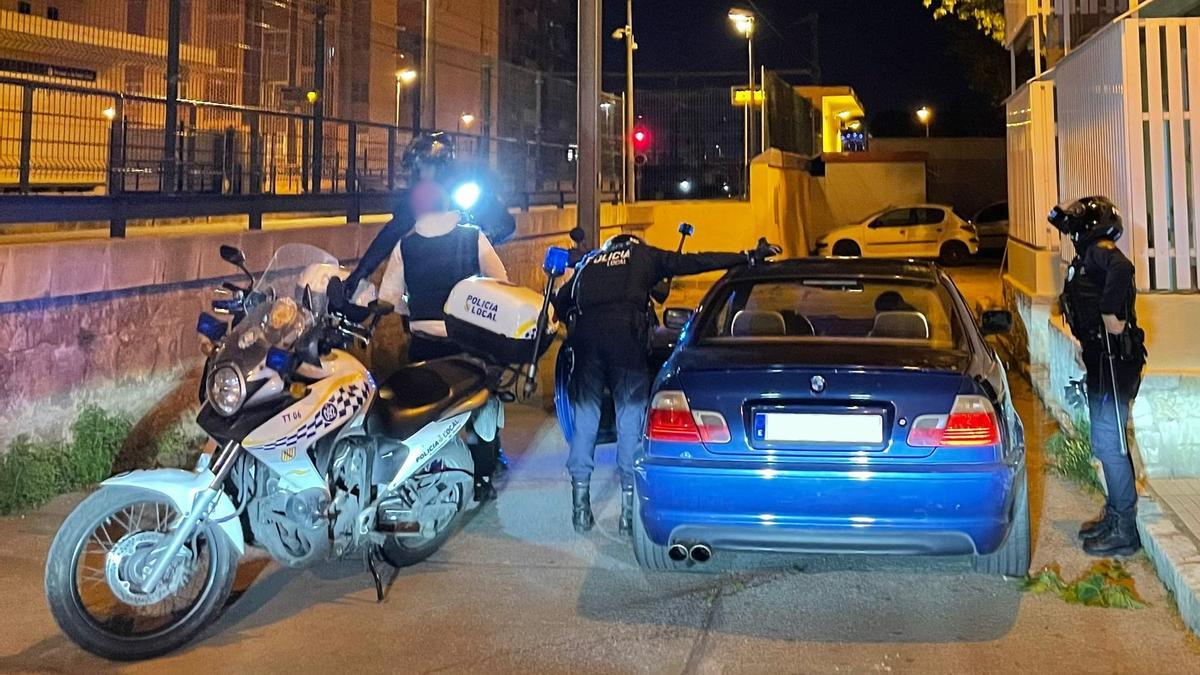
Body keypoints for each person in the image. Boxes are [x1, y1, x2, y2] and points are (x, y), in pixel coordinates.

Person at [553, 233, 782, 535]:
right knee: (629, 420)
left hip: (585, 345)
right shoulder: (644, 256)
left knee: (584, 423)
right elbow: (695, 262)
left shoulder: (589, 262)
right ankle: (627, 515)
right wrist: (746, 255)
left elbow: (559, 301)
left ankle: (580, 509)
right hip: (625, 343)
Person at [375, 177, 510, 500]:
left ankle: (427, 474)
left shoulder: (406, 244)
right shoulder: (472, 236)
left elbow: (389, 298)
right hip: (467, 342)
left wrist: (415, 309)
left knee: (425, 409)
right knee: (482, 405)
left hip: (423, 344)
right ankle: (482, 479)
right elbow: (501, 283)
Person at [1050, 196, 1147, 557]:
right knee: (1106, 441)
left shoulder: (1100, 251)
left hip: (1112, 359)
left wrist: (1109, 313)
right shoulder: (1090, 254)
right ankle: (1115, 514)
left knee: (1111, 443)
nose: (1072, 233)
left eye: (1076, 226)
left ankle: (1124, 528)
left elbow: (1122, 270)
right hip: (1102, 357)